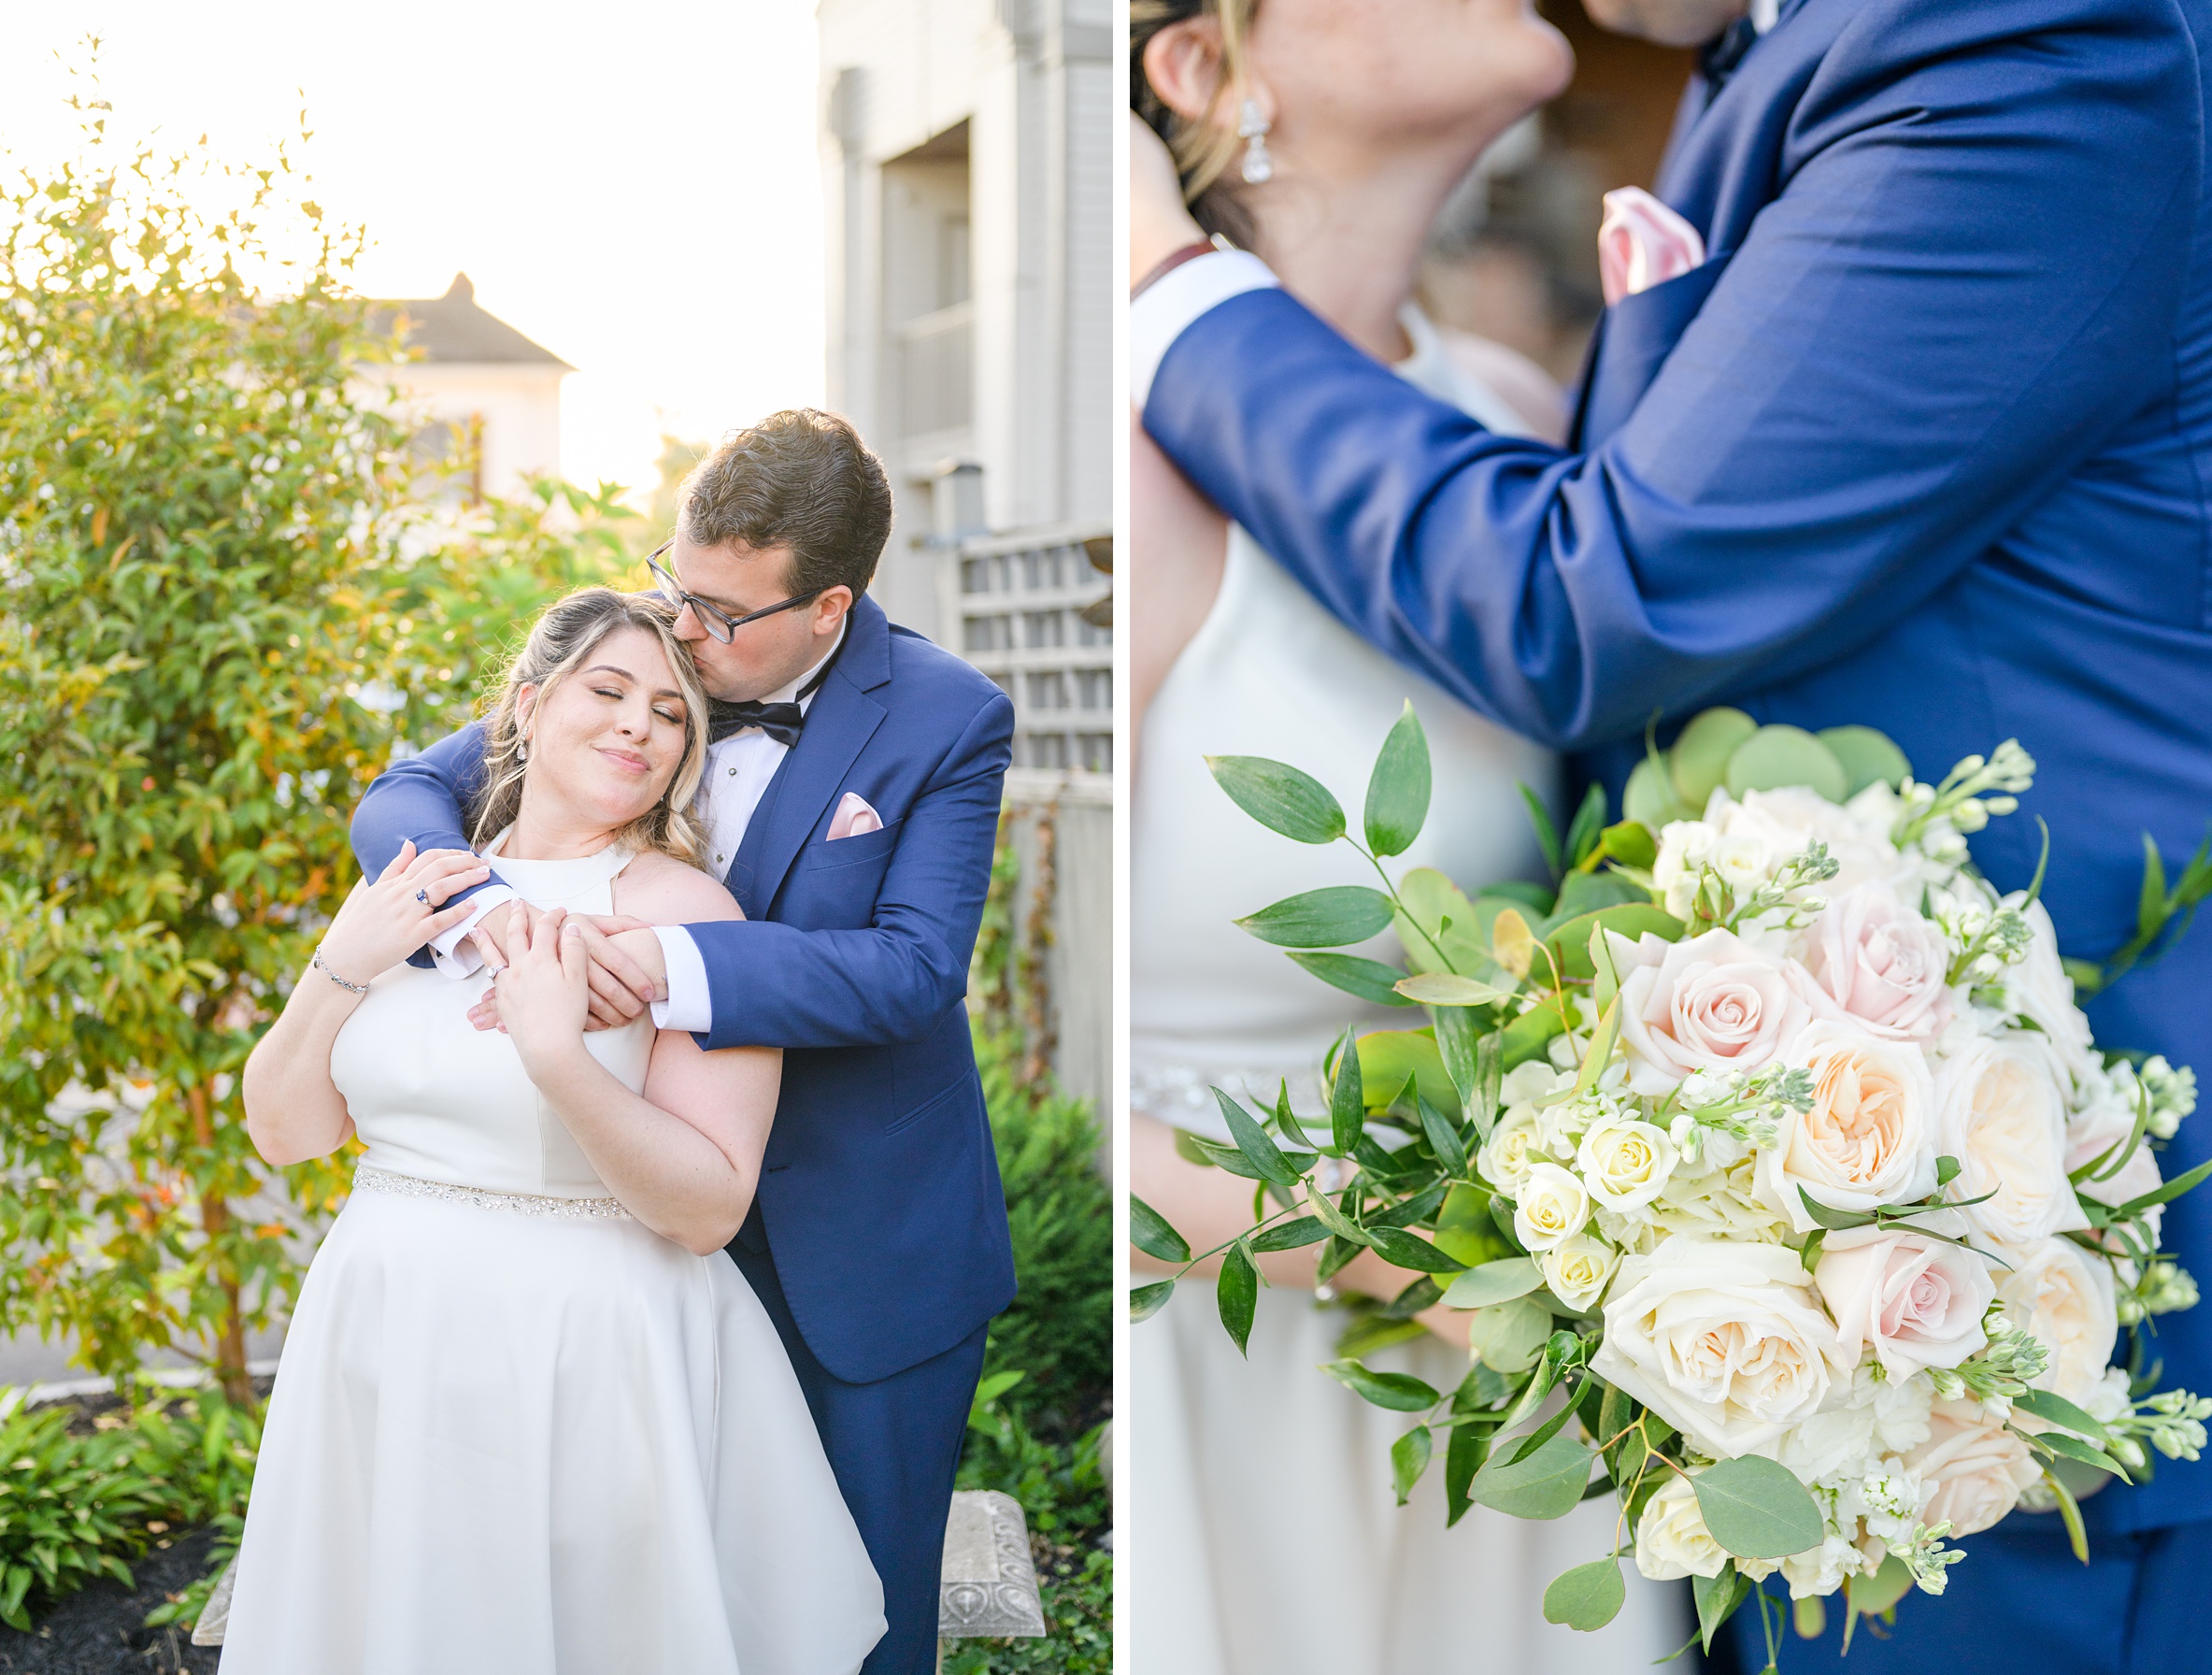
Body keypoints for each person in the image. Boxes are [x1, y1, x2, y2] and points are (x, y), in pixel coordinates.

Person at [1128, 0, 2212, 1667]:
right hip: (1545, 1356)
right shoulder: (1762, 74)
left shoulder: (2033, 36)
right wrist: (1491, 1258)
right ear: (1204, 66)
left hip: (2016, 1286)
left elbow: (1599, 599)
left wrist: (1168, 294)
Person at [1127, 3, 1685, 1669]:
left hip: (1510, 1397)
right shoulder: (1143, 468)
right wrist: (1414, 1257)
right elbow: (1005, 1071)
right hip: (1229, 1377)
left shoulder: (1518, 411)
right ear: (1204, 67)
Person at [346, 411, 1017, 1675]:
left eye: (722, 615)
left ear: (825, 610)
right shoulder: (644, 674)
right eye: (677, 582)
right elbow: (404, 795)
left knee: (856, 1625)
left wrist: (669, 964)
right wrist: (485, 912)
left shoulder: (948, 715)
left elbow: (916, 970)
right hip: (631, 1259)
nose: (686, 634)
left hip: (859, 1248)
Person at [230, 588, 885, 1671]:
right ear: (529, 707)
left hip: (585, 1354)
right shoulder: (422, 887)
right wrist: (342, 959)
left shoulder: (692, 918)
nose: (640, 724)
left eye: (673, 714)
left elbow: (710, 1204)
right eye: (609, 689)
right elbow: (287, 1132)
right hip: (383, 1326)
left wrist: (555, 1058)